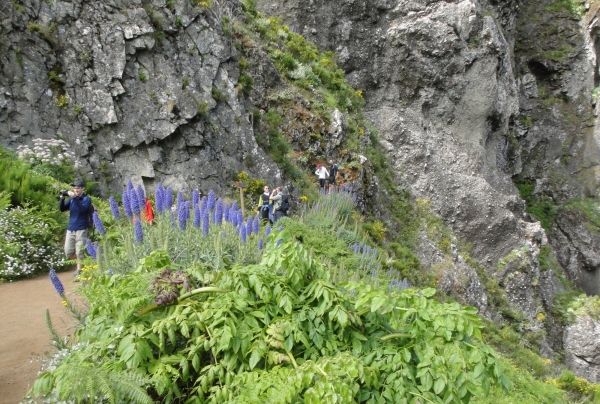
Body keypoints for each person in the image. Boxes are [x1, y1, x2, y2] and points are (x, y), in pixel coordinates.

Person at [59, 179, 94, 277]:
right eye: (74, 188)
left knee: (79, 251)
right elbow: (62, 209)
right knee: (68, 252)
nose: (76, 190)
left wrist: (74, 198)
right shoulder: (71, 199)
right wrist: (62, 197)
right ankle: (84, 264)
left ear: (83, 188)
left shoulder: (86, 199)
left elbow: (82, 209)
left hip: (82, 228)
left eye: (78, 188)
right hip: (71, 228)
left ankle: (79, 271)